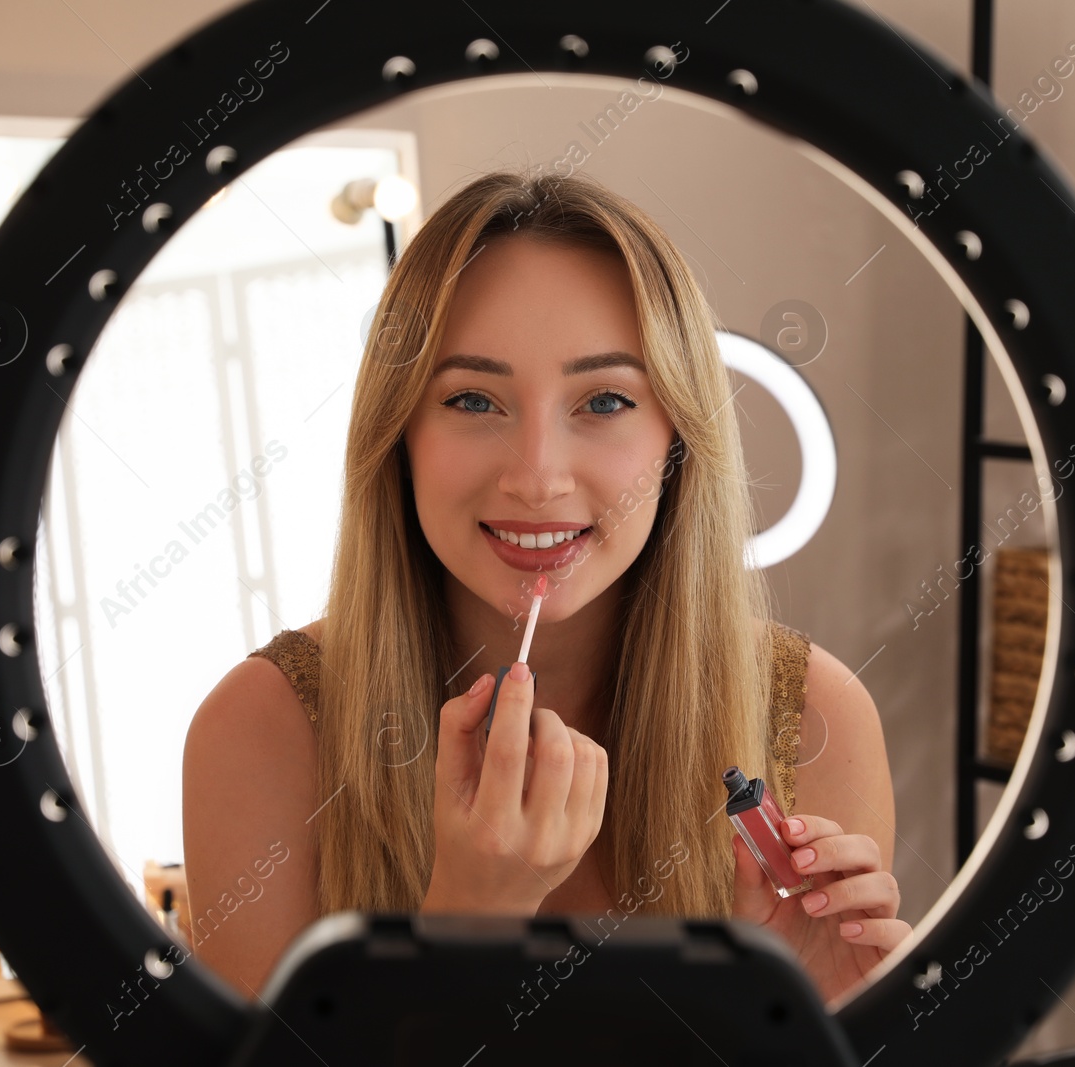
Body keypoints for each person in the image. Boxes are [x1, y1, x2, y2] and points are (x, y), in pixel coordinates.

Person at [182, 169, 907, 1009]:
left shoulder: (815, 716)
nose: (536, 477)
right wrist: (469, 924)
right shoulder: (262, 732)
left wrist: (801, 1029)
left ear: (678, 435)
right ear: (399, 433)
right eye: (472, 399)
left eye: (603, 399)